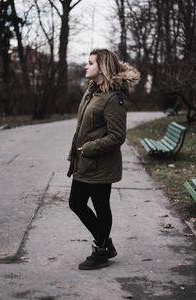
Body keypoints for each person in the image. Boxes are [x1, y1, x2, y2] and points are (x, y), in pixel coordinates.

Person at [67, 48, 140, 270]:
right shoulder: (92, 91)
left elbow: (117, 136)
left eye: (90, 63)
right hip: (84, 161)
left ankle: (100, 251)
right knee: (76, 203)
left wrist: (89, 147)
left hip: (100, 163)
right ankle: (106, 243)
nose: (86, 66)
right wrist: (77, 151)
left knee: (100, 206)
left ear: (102, 67)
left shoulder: (113, 98)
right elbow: (83, 126)